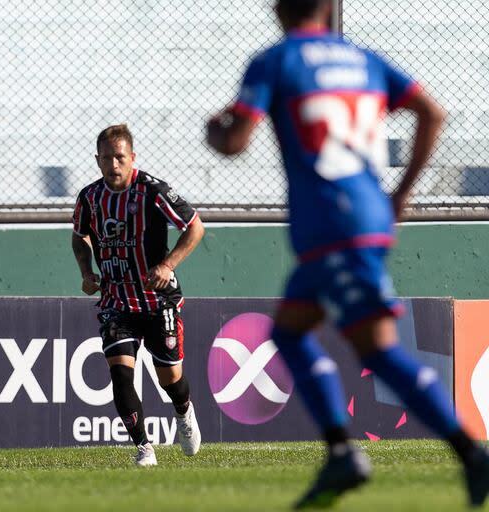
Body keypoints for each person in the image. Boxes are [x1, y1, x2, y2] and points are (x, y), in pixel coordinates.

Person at [207, 0, 489, 508]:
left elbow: (235, 141)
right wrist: (400, 194)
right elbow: (432, 112)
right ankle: (341, 452)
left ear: (281, 8)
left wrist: (216, 129)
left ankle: (470, 454)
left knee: (378, 350)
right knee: (288, 333)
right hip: (358, 219)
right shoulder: (363, 59)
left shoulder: (276, 60)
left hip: (331, 224)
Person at [71, 124, 205, 466]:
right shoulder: (89, 198)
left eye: (119, 157)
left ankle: (184, 411)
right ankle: (144, 447)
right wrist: (87, 271)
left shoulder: (152, 191)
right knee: (120, 373)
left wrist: (168, 264)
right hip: (116, 301)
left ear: (132, 157)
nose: (113, 165)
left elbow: (195, 227)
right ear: (97, 160)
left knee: (170, 378)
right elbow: (79, 237)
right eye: (106, 158)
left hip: (157, 300)